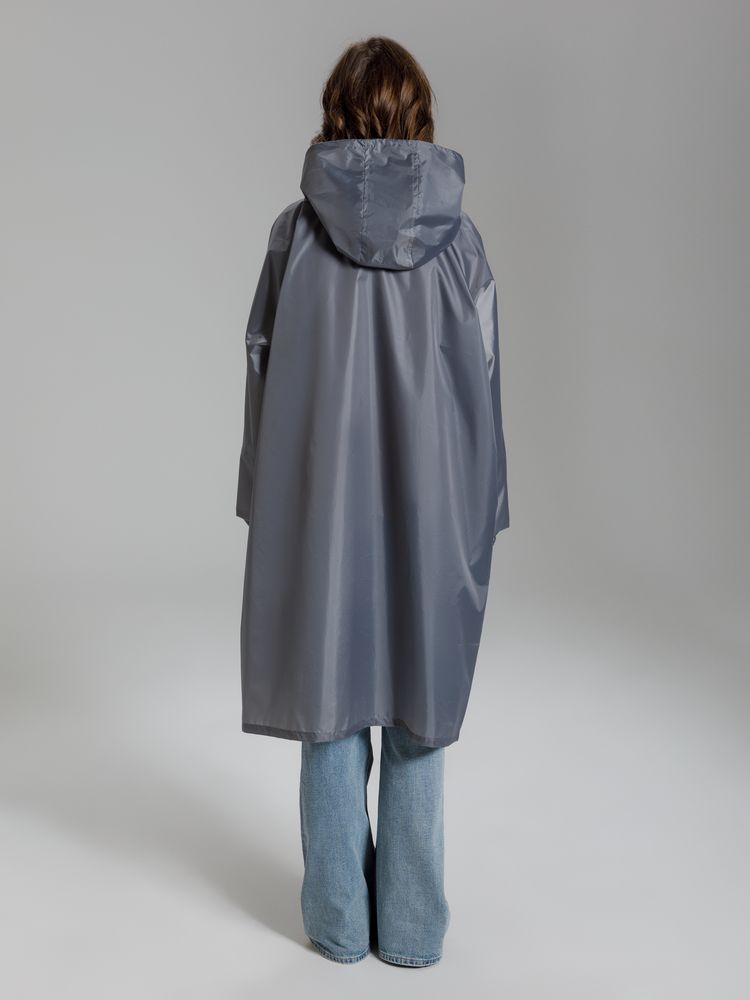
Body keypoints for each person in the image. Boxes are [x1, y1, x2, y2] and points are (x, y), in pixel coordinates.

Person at [236, 36, 509, 967]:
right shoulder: (461, 242)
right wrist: (486, 508)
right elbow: (486, 385)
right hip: (433, 516)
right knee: (419, 706)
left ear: (336, 112)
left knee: (329, 702)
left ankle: (339, 925)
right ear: (418, 115)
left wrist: (261, 499)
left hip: (320, 514)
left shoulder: (294, 235)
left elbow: (261, 372)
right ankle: (416, 929)